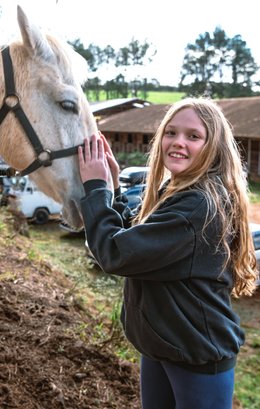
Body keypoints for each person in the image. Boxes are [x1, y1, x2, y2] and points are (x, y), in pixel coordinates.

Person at [77, 98, 258, 409]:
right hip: (164, 344)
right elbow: (136, 236)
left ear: (213, 146)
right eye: (171, 132)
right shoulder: (181, 190)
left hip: (197, 355)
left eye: (193, 136)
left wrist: (96, 188)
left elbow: (116, 253)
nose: (178, 142)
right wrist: (116, 187)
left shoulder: (198, 205)